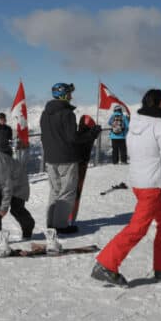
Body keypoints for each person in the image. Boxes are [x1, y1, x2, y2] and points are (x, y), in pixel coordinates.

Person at [91, 89, 161, 287]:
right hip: (151, 184)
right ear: (156, 104)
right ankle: (106, 264)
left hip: (139, 180)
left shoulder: (136, 121)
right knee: (138, 228)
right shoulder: (160, 125)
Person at [40, 83, 102, 234]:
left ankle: (51, 223)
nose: (71, 96)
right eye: (69, 93)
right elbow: (72, 138)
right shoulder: (67, 114)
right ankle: (60, 225)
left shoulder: (45, 113)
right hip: (66, 158)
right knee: (67, 192)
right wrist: (91, 134)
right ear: (63, 95)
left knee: (55, 190)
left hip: (50, 158)